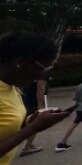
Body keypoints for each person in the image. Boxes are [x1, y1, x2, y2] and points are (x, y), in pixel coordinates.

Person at [0, 31, 71, 162]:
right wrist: (32, 128)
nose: (42, 75)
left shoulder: (12, 87)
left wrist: (31, 120)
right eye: (44, 68)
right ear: (21, 62)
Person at [53, 70, 82, 152]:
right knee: (74, 124)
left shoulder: (80, 86)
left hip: (78, 107)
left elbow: (74, 98)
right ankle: (62, 143)